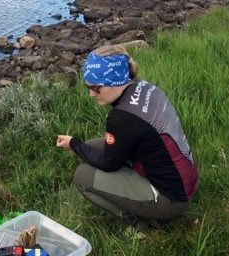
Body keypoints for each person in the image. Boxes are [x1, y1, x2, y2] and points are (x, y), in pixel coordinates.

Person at [55, 45, 197, 224]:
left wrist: (74, 143)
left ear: (114, 81)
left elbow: (108, 164)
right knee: (90, 146)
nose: (91, 94)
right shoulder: (144, 87)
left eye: (96, 88)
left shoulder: (121, 118)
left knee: (82, 176)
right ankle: (134, 191)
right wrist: (79, 146)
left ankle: (138, 222)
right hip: (183, 178)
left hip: (171, 199)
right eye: (88, 87)